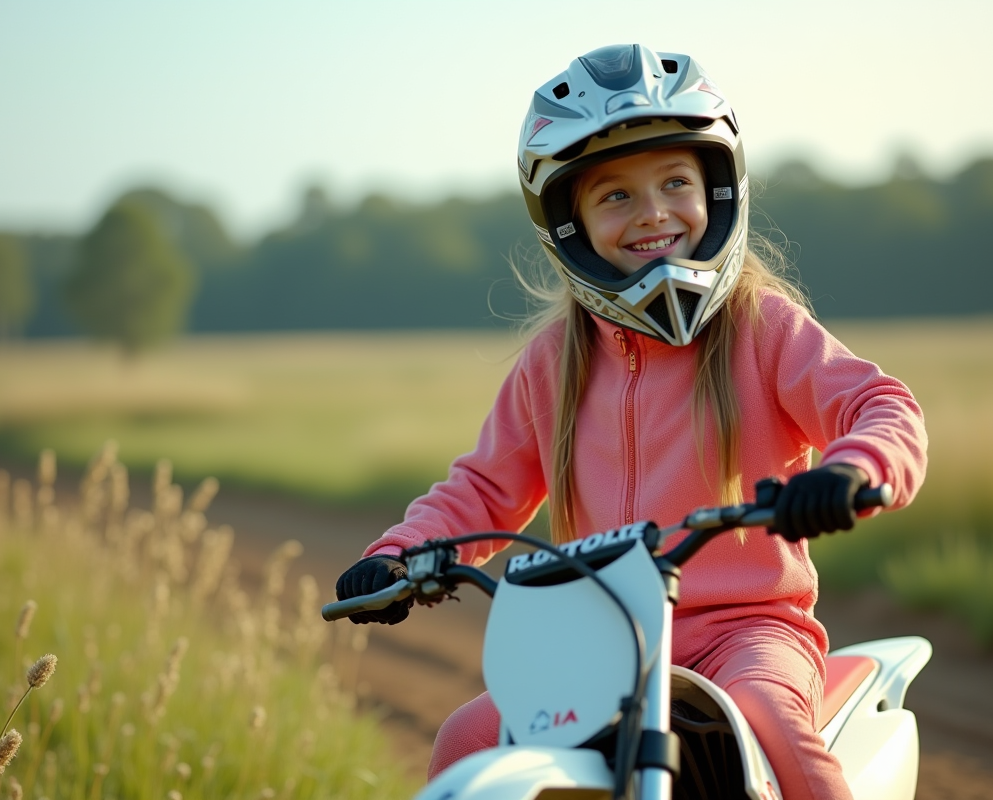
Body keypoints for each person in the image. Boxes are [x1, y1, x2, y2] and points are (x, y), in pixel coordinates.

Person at [334, 44, 927, 800]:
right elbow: (482, 491)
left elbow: (882, 406)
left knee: (765, 714)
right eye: (614, 195)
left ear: (717, 190)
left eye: (675, 181)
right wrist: (401, 554)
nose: (653, 212)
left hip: (749, 633)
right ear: (570, 225)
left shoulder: (763, 328)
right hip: (600, 648)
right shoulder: (557, 362)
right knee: (467, 738)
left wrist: (854, 470)